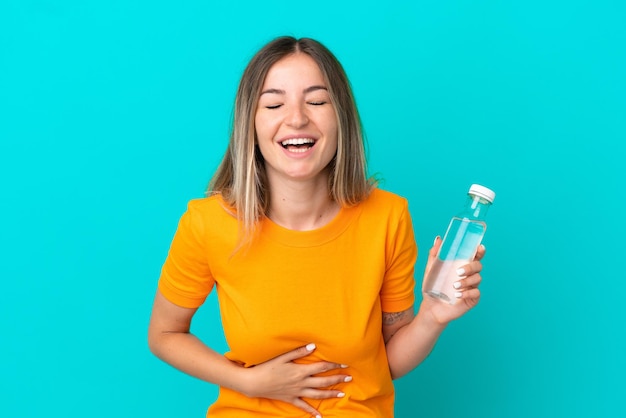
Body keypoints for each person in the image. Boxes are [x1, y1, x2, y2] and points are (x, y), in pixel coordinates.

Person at [148, 36, 485, 418]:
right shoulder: (207, 223)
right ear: (251, 124)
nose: (296, 118)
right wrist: (248, 382)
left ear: (341, 116)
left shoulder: (388, 217)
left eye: (317, 101)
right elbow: (164, 334)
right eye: (274, 103)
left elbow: (386, 365)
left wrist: (432, 317)